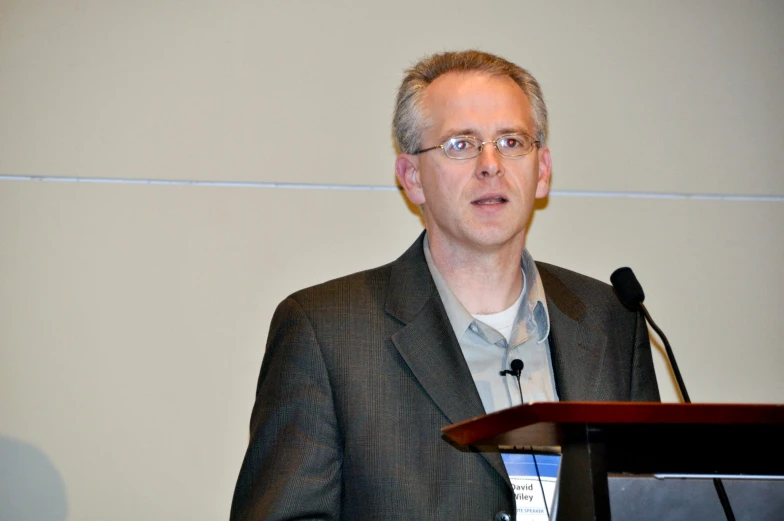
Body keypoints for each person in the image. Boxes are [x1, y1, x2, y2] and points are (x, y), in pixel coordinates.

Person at [230, 50, 659, 521]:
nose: (491, 164)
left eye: (512, 141)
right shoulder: (326, 332)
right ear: (412, 178)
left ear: (543, 170)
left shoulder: (611, 318)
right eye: (461, 144)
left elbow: (653, 503)